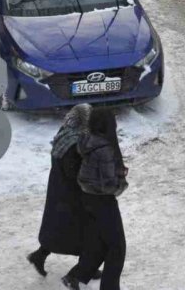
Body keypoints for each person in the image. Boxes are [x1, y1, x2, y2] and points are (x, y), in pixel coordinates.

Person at [26, 105, 102, 283]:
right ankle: (83, 270)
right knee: (90, 232)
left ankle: (39, 256)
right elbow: (76, 172)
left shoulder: (65, 133)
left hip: (60, 191)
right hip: (73, 195)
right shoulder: (74, 143)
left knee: (58, 228)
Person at [65, 108, 129, 290]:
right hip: (103, 202)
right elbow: (108, 185)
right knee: (117, 248)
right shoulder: (105, 149)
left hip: (87, 198)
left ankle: (75, 277)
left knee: (99, 244)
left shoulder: (87, 141)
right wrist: (122, 183)